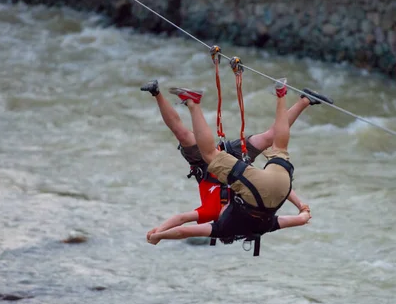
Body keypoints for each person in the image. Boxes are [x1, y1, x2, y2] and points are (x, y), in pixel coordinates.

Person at [140, 79, 333, 243]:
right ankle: (306, 100)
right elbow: (275, 188)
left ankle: (157, 93)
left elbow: (181, 220)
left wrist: (159, 231)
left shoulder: (211, 213)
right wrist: (302, 206)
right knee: (269, 138)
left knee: (182, 133)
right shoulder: (245, 206)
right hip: (237, 164)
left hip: (206, 167)